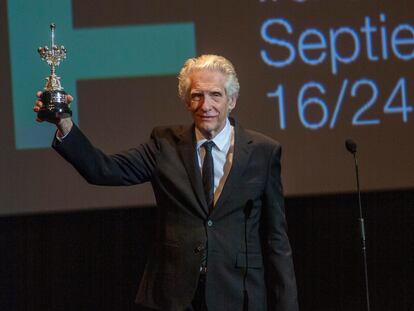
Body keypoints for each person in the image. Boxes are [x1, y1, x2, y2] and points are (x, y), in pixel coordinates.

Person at [34, 55, 298, 311]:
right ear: (186, 101)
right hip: (174, 296)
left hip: (238, 293)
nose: (206, 105)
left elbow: (277, 240)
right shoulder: (164, 145)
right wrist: (64, 123)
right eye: (197, 95)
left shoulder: (263, 152)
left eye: (216, 95)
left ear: (232, 100)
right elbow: (103, 170)